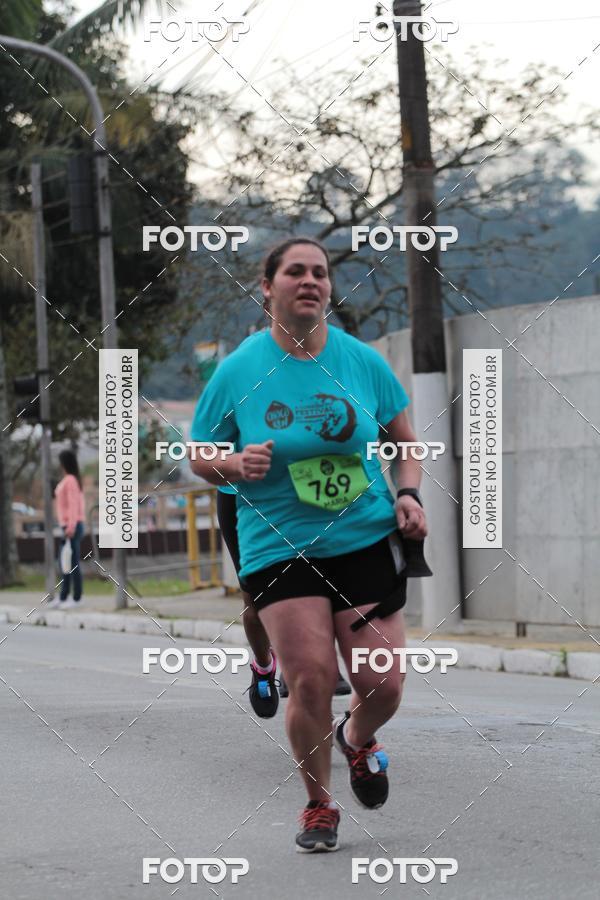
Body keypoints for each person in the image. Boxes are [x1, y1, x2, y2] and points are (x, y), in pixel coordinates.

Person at [189, 237, 428, 853]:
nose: (310, 281)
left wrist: (409, 496)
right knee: (313, 678)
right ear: (267, 287)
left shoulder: (361, 361)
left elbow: (405, 442)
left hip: (364, 537)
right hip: (279, 542)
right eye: (295, 271)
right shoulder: (240, 369)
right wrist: (235, 463)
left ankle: (356, 738)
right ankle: (318, 806)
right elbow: (198, 454)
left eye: (319, 273)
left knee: (385, 684)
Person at [216, 483, 352, 718]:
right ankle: (263, 666)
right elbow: (204, 456)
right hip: (243, 498)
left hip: (300, 491)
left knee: (318, 583)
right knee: (256, 603)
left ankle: (315, 665)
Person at [49, 449, 85, 608]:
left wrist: (70, 526)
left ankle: (76, 598)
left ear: (64, 463)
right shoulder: (70, 479)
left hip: (72, 526)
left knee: (72, 562)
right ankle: (63, 597)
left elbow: (73, 505)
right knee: (65, 562)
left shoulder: (70, 480)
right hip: (69, 526)